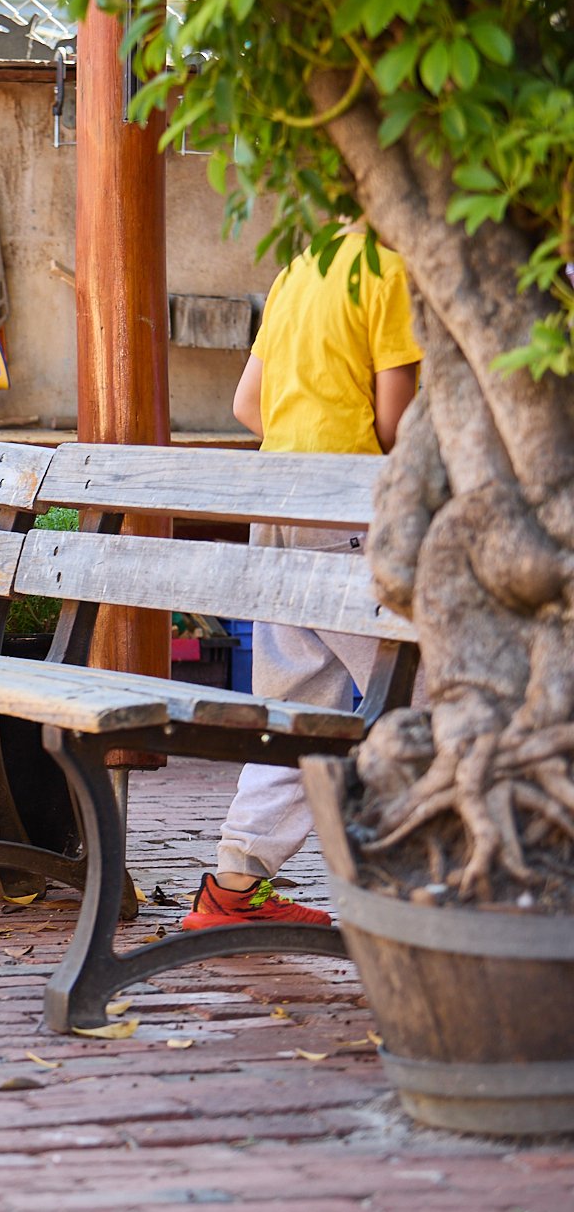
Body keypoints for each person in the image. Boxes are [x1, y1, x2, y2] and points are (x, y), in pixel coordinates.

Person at [182, 230, 421, 928]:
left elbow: (247, 406)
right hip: (347, 514)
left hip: (279, 508)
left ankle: (233, 886)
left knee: (299, 713)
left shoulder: (301, 266)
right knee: (432, 693)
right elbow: (393, 421)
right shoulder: (393, 270)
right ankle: (439, 888)